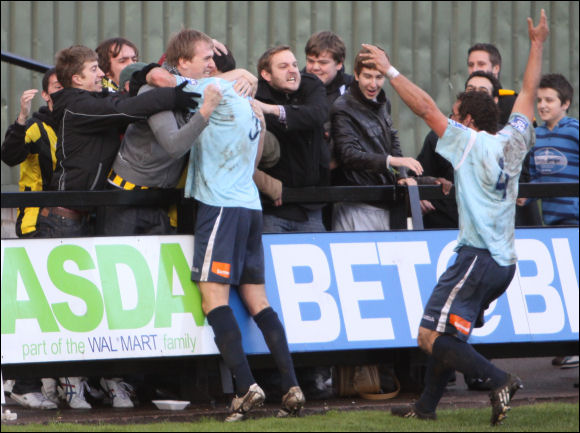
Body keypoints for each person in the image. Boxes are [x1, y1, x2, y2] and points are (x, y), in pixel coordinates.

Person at [361, 8, 549, 426]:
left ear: (466, 121)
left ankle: (500, 379)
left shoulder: (468, 143)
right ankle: (426, 407)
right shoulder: (515, 137)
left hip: (477, 258)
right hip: (504, 262)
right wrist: (537, 45)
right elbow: (529, 93)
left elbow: (425, 108)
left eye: (456, 112)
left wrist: (389, 68)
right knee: (452, 333)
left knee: (430, 336)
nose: (449, 117)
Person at [179, 35, 305, 421]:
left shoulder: (209, 89)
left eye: (202, 60)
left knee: (212, 298)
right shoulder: (252, 106)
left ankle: (245, 386)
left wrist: (228, 73)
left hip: (220, 206)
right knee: (258, 301)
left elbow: (157, 81)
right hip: (250, 206)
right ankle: (292, 386)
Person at [330, 45, 423, 231]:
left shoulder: (383, 102)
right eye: (368, 76)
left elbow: (392, 140)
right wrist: (392, 160)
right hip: (357, 205)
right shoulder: (342, 106)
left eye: (379, 77)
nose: (373, 84)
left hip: (386, 201)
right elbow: (347, 154)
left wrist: (401, 175)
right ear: (356, 75)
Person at [530, 73, 579, 370]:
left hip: (574, 220)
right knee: (563, 287)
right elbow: (537, 174)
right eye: (539, 100)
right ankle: (566, 346)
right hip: (551, 223)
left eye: (549, 100)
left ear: (566, 103)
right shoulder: (537, 134)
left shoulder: (574, 130)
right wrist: (527, 194)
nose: (543, 105)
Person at [254, 45, 329, 233]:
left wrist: (273, 110)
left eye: (295, 65)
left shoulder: (311, 85)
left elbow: (318, 114)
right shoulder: (255, 95)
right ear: (266, 75)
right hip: (271, 208)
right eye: (283, 66)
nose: (293, 70)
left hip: (311, 205)